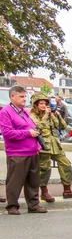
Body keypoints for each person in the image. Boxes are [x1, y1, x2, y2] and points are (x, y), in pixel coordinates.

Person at [0, 86, 47, 215]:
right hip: (17, 153)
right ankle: (12, 206)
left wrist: (37, 146)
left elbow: (33, 129)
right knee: (15, 181)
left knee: (33, 181)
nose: (24, 99)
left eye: (25, 96)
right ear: (12, 96)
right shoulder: (6, 112)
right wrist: (27, 133)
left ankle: (33, 205)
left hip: (32, 152)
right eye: (21, 96)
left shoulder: (23, 111)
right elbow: (8, 133)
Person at [29, 92, 72, 202]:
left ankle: (67, 190)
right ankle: (44, 192)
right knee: (45, 169)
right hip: (43, 145)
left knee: (66, 164)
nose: (44, 106)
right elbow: (38, 126)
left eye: (46, 104)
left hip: (55, 144)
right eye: (41, 103)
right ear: (35, 105)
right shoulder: (32, 115)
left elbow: (61, 126)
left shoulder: (49, 114)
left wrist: (57, 116)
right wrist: (46, 115)